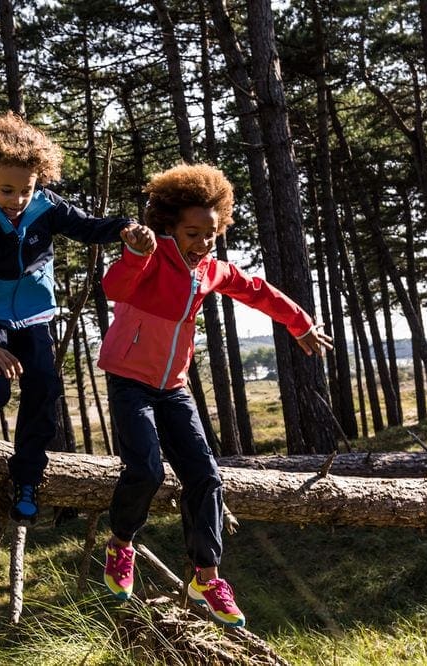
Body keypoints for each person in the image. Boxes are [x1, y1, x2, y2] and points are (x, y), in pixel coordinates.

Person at [97, 163, 332, 627]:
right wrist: (134, 255)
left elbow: (257, 291)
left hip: (173, 387)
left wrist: (299, 322)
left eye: (211, 233)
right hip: (129, 379)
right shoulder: (149, 257)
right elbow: (113, 288)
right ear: (169, 225)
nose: (203, 242)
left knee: (205, 476)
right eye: (192, 232)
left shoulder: (211, 270)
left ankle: (207, 575)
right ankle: (120, 544)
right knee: (144, 467)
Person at [0, 112, 148, 530]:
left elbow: (88, 228)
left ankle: (27, 480)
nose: (15, 200)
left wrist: (126, 228)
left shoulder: (47, 210)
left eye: (25, 190)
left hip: (34, 316)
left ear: (39, 182)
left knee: (44, 387)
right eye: (6, 190)